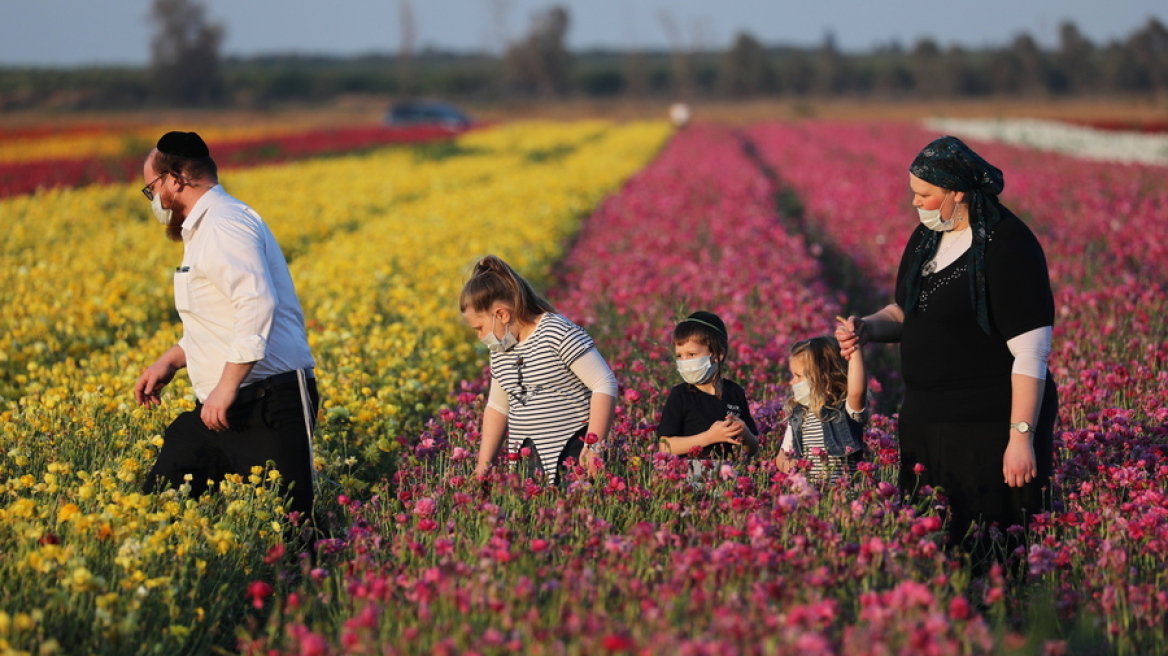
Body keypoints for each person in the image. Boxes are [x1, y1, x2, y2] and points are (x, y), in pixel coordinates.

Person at [837, 135, 1057, 559]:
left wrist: (1021, 438)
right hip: (928, 423)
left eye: (925, 194)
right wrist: (867, 327)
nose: (916, 204)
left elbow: (1032, 352)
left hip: (988, 427)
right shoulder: (926, 239)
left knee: (991, 546)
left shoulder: (1008, 244)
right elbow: (908, 311)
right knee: (933, 540)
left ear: (957, 191)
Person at [134, 131, 319, 524]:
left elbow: (256, 303)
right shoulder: (203, 230)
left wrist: (226, 386)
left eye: (153, 189)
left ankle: (307, 581)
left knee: (292, 524)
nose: (156, 201)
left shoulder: (224, 224)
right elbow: (220, 318)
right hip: (221, 410)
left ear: (175, 180)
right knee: (160, 506)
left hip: (267, 402)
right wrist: (171, 360)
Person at [460, 255, 617, 486]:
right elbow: (498, 407)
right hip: (527, 459)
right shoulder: (501, 351)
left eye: (480, 328)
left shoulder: (556, 332)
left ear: (502, 315)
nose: (480, 336)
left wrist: (594, 447)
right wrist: (483, 467)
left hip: (573, 450)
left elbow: (604, 383)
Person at [656, 312, 759, 474]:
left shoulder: (735, 392)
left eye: (692, 355)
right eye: (679, 356)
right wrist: (709, 437)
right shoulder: (680, 394)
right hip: (690, 476)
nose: (685, 362)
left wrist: (745, 433)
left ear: (717, 355)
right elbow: (665, 446)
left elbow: (753, 448)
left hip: (730, 475)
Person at [775, 333, 867, 480]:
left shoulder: (844, 410)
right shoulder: (799, 414)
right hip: (808, 496)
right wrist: (788, 464)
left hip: (842, 496)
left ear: (822, 377)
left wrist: (854, 347)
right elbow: (781, 457)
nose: (792, 382)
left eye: (798, 376)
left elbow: (857, 392)